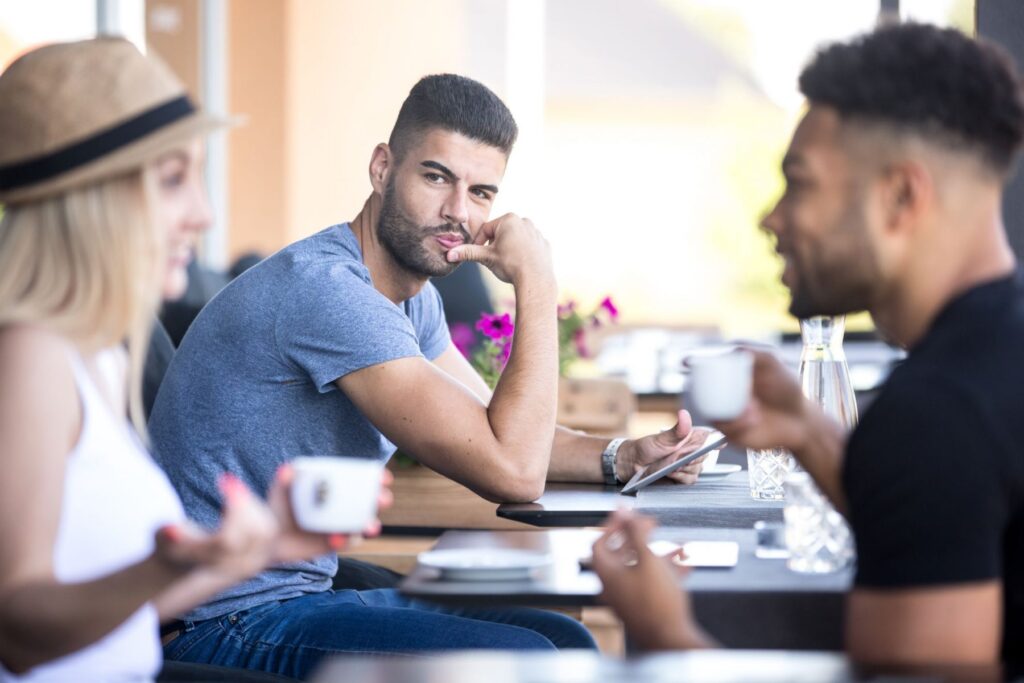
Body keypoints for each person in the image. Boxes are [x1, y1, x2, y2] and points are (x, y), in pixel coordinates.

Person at [148, 73, 710, 673]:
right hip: (220, 619)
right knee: (530, 662)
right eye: (436, 177)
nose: (457, 213)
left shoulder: (411, 300)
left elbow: (501, 433)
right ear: (383, 168)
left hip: (293, 596)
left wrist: (627, 456)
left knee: (562, 640)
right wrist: (537, 283)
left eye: (481, 192)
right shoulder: (330, 293)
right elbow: (513, 473)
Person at [594, 22, 1024, 667]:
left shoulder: (939, 412)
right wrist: (807, 432)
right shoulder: (994, 360)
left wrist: (666, 637)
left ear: (901, 196)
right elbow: (945, 522)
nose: (771, 218)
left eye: (800, 182)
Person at [0, 38, 383, 681]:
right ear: (92, 197)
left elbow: (117, 612)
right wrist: (173, 564)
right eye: (174, 180)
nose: (202, 215)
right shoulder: (30, 358)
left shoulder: (100, 361)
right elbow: (15, 625)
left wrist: (245, 556)